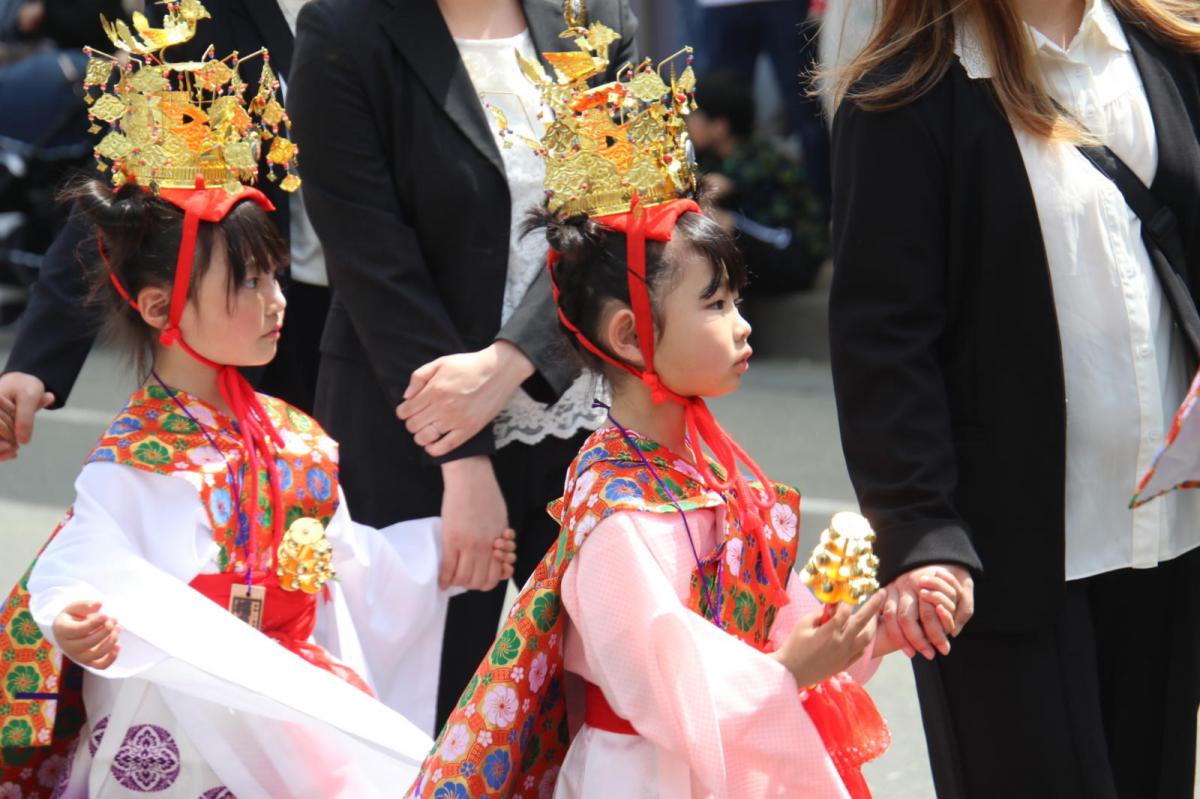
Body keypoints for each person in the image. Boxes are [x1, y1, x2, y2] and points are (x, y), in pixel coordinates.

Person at [405, 31, 959, 799]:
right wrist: (792, 669)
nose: (742, 324)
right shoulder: (617, 510)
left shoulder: (704, 470)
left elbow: (777, 616)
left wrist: (869, 627)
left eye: (736, 300)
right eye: (716, 304)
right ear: (630, 334)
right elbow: (662, 681)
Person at [0, 7, 516, 796]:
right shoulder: (139, 454)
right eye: (249, 282)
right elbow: (80, 563)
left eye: (269, 277)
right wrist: (76, 618)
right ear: (152, 303)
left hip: (279, 707)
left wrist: (437, 558)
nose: (270, 299)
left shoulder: (301, 444)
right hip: (173, 726)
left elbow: (350, 570)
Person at [827, 0, 1200, 796]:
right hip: (1002, 560)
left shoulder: (1171, 47)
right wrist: (920, 527)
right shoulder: (908, 89)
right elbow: (884, 338)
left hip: (1173, 532)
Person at [287, 0, 639, 727]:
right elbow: (370, 257)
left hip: (581, 415)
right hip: (407, 426)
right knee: (416, 723)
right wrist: (465, 458)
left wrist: (509, 362)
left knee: (603, 715)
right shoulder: (344, 28)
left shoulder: (592, 14)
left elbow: (621, 206)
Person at [0, 0, 329, 468]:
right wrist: (35, 362)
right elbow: (133, 184)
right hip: (272, 315)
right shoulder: (200, 16)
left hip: (407, 310)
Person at [688, 70, 829, 294]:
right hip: (765, 251)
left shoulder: (761, 157)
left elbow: (716, 186)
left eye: (695, 116)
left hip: (794, 257)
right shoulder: (713, 156)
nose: (689, 123)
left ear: (720, 126)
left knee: (717, 224)